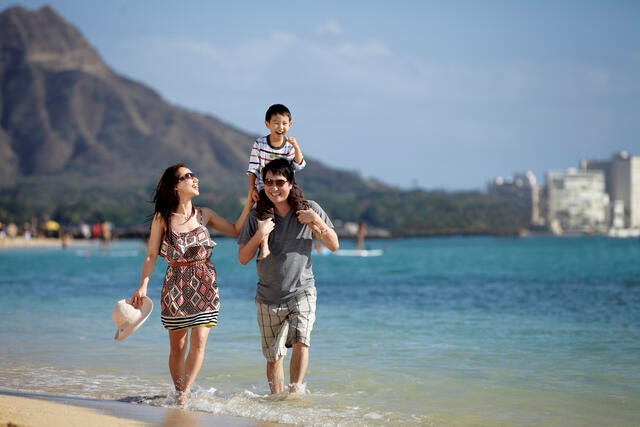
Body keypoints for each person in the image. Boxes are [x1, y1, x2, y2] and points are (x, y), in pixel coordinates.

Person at [130, 163, 252, 405]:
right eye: (188, 176)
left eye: (195, 174)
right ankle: (178, 392)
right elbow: (151, 254)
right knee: (178, 347)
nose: (195, 179)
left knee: (199, 341)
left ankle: (183, 393)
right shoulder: (162, 218)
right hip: (175, 284)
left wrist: (249, 201)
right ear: (176, 186)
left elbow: (237, 229)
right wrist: (143, 285)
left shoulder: (203, 214)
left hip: (205, 282)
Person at [238, 158, 339, 395]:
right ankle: (276, 403)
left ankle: (294, 395)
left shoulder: (309, 208)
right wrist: (260, 234)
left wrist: (316, 222)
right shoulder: (257, 216)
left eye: (280, 182)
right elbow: (243, 257)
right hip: (268, 296)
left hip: (302, 290)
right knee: (274, 357)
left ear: (291, 183)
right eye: (269, 182)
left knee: (301, 342)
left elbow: (334, 245)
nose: (274, 188)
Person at [246, 103, 308, 260]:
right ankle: (264, 247)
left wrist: (296, 146)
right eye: (276, 123)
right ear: (267, 124)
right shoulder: (259, 144)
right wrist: (252, 189)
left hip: (288, 185)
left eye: (284, 123)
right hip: (264, 186)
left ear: (290, 124)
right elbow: (253, 168)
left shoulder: (289, 145)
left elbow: (298, 165)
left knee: (300, 203)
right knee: (264, 214)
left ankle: (317, 227)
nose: (280, 127)